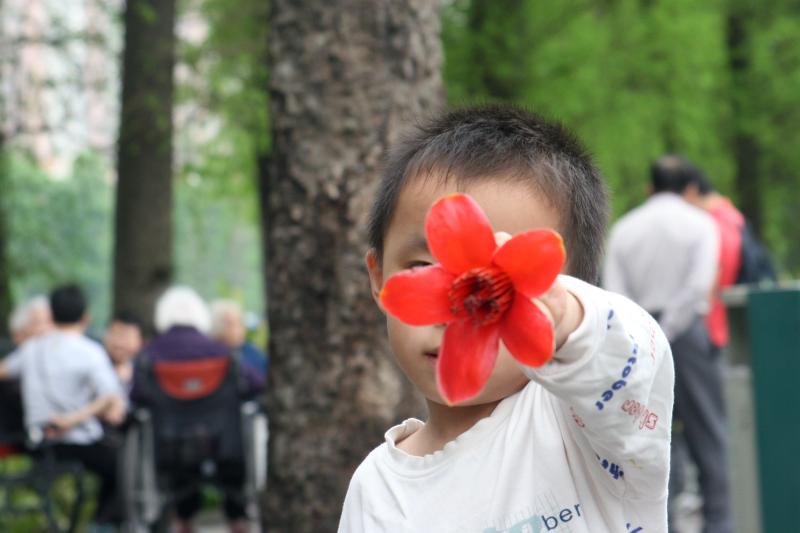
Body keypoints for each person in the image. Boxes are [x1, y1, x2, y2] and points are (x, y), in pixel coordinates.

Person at [338, 105, 674, 532]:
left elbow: (631, 356)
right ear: (379, 277)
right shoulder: (376, 488)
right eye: (424, 267)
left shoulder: (586, 423)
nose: (456, 316)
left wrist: (566, 316)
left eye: (516, 283)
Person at [604, 156, 731, 533]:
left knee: (650, 434)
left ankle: (663, 525)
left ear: (650, 187)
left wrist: (645, 333)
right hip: (688, 334)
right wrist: (669, 330)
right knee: (708, 432)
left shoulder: (624, 229)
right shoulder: (701, 224)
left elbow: (614, 291)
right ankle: (719, 524)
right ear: (690, 189)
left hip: (636, 341)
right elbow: (697, 286)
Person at [0, 284, 126, 531]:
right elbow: (112, 395)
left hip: (37, 442)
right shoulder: (90, 351)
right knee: (122, 466)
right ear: (86, 316)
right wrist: (74, 418)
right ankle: (101, 524)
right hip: (77, 441)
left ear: (52, 314)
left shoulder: (31, 349)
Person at [133, 286, 256, 533]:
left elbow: (136, 396)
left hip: (169, 448)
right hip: (224, 446)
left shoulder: (148, 356)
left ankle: (183, 520)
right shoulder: (223, 354)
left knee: (175, 455)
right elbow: (255, 384)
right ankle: (237, 519)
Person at [210, 300, 268, 383]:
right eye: (231, 324)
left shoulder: (252, 352)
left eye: (240, 322)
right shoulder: (212, 354)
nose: (239, 329)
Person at [103, 310, 144, 391]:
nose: (119, 343)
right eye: (115, 334)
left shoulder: (146, 372)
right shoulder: (95, 363)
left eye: (126, 337)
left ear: (140, 341)